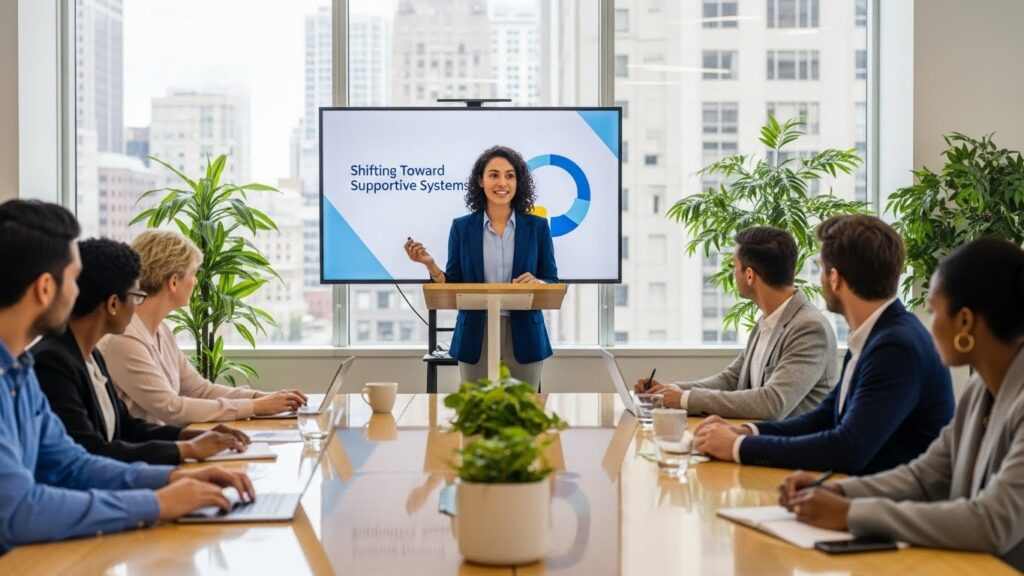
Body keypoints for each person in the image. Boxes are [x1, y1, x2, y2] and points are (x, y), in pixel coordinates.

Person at [0, 200, 254, 553]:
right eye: (74, 279)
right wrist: (157, 503)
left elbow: (72, 465)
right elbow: (16, 512)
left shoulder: (19, 372)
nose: (79, 292)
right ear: (45, 288)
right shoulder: (31, 367)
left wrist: (172, 477)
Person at [779, 238, 1024, 570]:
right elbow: (925, 476)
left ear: (965, 322)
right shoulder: (980, 388)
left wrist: (852, 514)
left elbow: (991, 522)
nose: (929, 324)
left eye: (935, 311)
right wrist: (842, 493)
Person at [693, 215, 954, 474]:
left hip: (891, 505)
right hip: (858, 492)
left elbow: (847, 449)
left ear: (834, 278)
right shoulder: (877, 333)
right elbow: (826, 417)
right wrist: (748, 431)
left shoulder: (895, 347)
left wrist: (739, 446)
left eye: (820, 268)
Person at [34, 238, 252, 465]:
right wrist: (184, 451)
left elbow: (127, 426)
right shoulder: (54, 362)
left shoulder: (91, 356)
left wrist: (189, 436)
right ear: (113, 304)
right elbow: (92, 451)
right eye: (136, 296)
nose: (138, 306)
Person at [99, 230, 307, 425]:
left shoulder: (160, 330)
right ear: (173, 282)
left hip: (161, 444)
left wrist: (260, 398)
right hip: (143, 453)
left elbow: (199, 389)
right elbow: (171, 407)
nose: (196, 281)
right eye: (192, 273)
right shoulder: (124, 337)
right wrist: (255, 407)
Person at [634, 226, 837, 420]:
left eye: (734, 266)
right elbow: (731, 380)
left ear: (749, 275)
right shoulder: (767, 321)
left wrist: (686, 399)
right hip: (760, 441)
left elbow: (772, 403)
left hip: (792, 451)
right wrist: (671, 391)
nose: (733, 272)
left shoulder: (808, 328)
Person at [404, 145, 558, 388]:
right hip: (476, 334)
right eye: (494, 175)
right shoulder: (462, 228)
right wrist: (431, 266)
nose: (502, 183)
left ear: (518, 182)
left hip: (525, 335)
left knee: (525, 416)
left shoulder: (537, 227)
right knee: (476, 416)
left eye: (510, 175)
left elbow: (551, 279)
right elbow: (454, 283)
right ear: (480, 180)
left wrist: (537, 283)